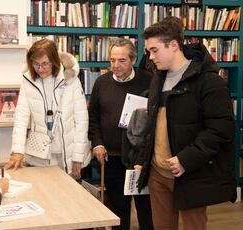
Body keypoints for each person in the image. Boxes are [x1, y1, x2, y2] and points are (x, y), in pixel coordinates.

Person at [136, 16, 236, 230]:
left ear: (173, 45)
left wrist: (185, 159)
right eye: (149, 52)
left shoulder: (209, 81)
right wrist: (143, 159)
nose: (150, 57)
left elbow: (220, 130)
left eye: (154, 50)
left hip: (191, 173)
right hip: (157, 173)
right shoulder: (158, 78)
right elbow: (153, 124)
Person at [88, 38, 154, 230]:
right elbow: (93, 118)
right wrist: (97, 143)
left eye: (122, 60)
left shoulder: (148, 80)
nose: (115, 65)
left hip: (139, 158)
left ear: (133, 60)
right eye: (112, 60)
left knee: (146, 208)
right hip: (111, 157)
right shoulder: (101, 82)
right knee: (118, 208)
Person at [5, 39, 90, 179]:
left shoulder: (71, 80)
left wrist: (77, 157)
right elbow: (21, 117)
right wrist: (17, 151)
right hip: (40, 153)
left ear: (54, 61)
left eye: (45, 64)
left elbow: (81, 120)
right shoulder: (28, 82)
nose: (40, 69)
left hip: (68, 152)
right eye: (36, 64)